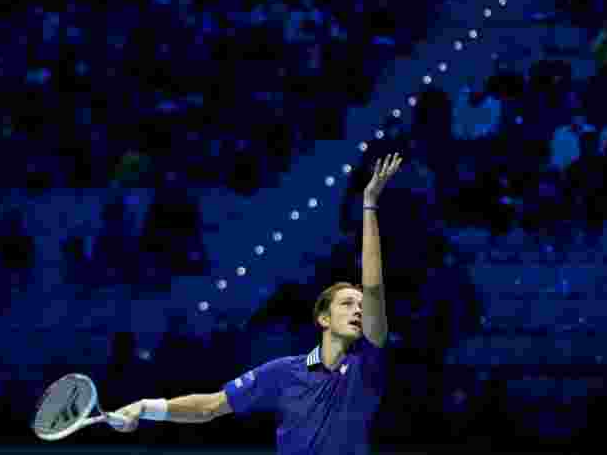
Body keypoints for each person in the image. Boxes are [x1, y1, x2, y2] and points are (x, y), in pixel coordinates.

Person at [108, 153, 404, 455]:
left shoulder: (366, 364)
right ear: (323, 319)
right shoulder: (284, 372)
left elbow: (374, 286)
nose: (358, 309)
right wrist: (145, 407)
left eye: (361, 305)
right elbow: (210, 406)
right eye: (346, 303)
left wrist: (369, 203)